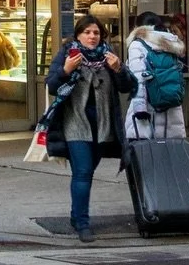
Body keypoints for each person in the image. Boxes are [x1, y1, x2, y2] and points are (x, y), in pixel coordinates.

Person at [44, 13, 137, 244]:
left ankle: (76, 216)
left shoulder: (108, 56)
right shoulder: (68, 54)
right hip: (76, 123)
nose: (92, 36)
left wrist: (119, 69)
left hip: (103, 124)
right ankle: (83, 224)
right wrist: (65, 70)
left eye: (96, 33)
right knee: (83, 172)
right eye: (87, 32)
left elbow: (128, 86)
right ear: (78, 35)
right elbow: (52, 85)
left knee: (85, 171)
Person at [123, 11, 186, 140]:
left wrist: (139, 109)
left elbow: (138, 79)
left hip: (148, 108)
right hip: (172, 107)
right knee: (168, 153)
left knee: (145, 154)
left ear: (137, 27)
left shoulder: (137, 45)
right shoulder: (170, 44)